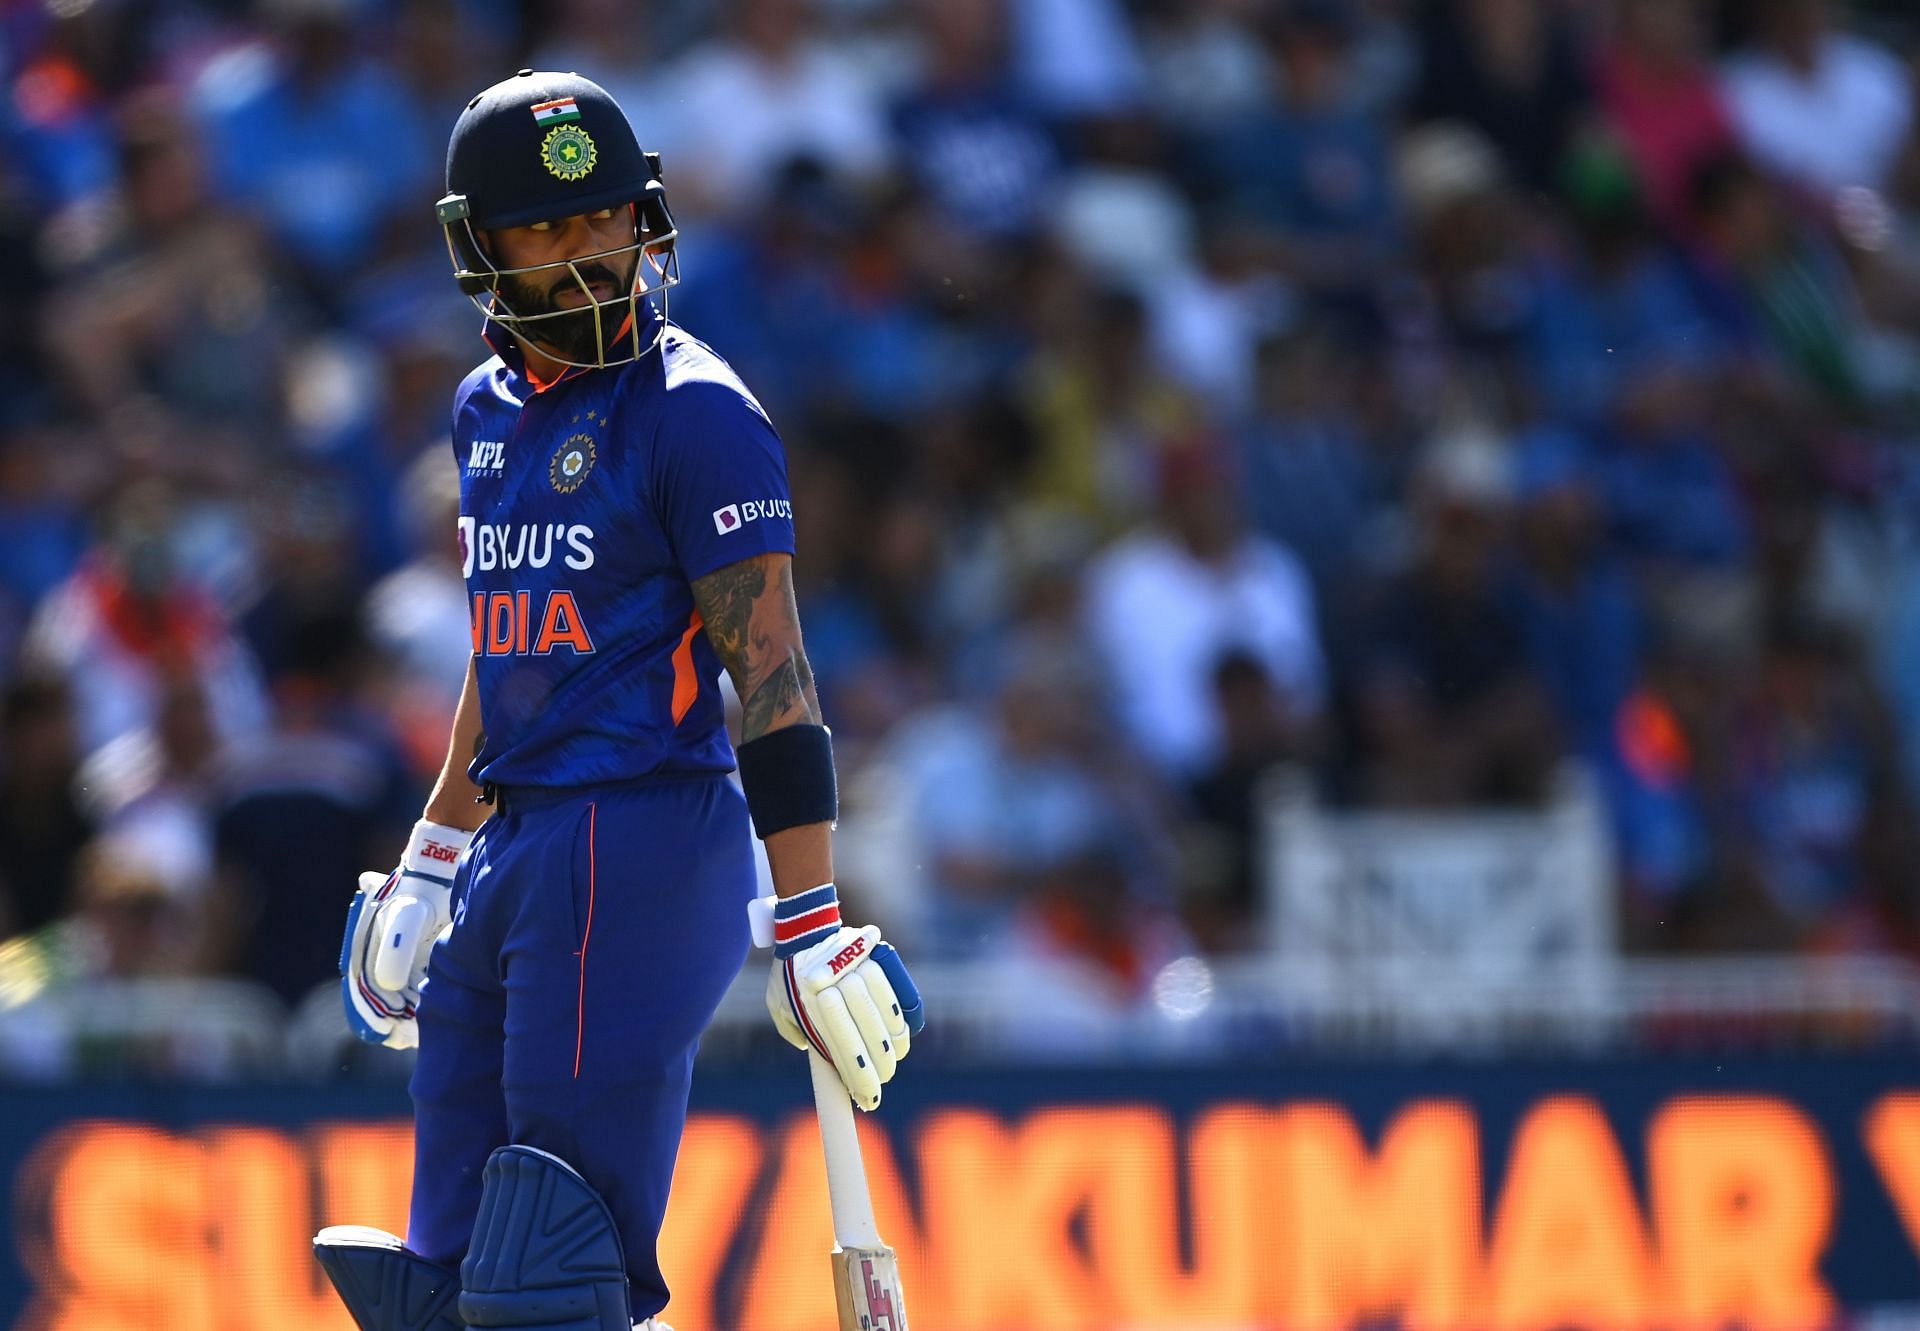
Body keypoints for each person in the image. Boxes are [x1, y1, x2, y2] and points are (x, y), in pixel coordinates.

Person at [312, 71, 922, 1331]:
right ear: (482, 249)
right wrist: (435, 849)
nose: (592, 255)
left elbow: (772, 665)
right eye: (548, 229)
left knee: (551, 1273)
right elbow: (511, 642)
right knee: (446, 1282)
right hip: (521, 838)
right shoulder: (484, 412)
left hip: (640, 837)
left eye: (608, 221)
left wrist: (808, 913)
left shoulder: (699, 412)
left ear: (649, 220)